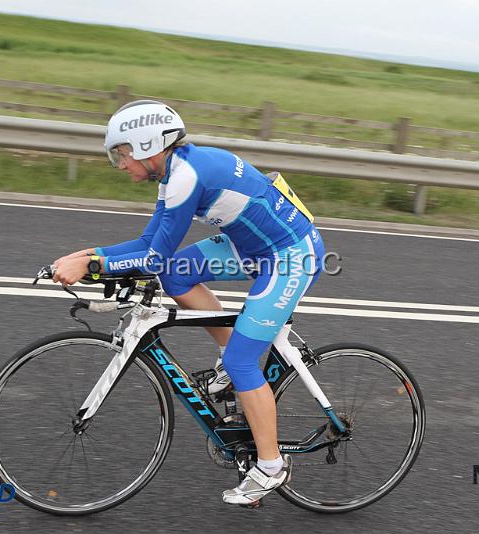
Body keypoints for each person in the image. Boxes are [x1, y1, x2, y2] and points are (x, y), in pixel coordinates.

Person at [52, 100, 324, 505]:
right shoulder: (174, 171)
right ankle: (233, 355)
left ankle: (271, 467)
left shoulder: (185, 176)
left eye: (122, 154)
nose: (120, 164)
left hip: (289, 257)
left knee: (243, 362)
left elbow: (151, 257)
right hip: (252, 247)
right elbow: (150, 246)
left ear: (147, 146)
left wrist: (92, 265)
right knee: (177, 274)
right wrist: (86, 254)